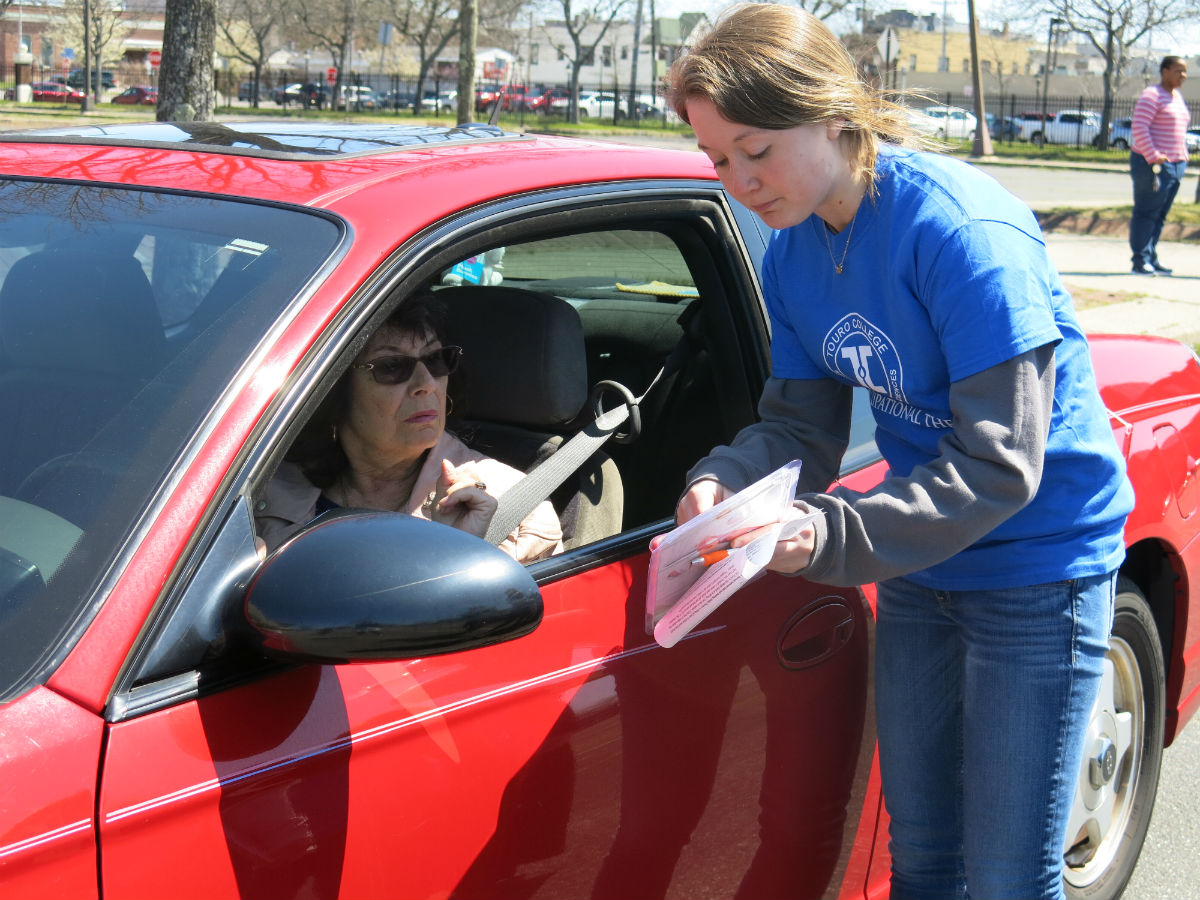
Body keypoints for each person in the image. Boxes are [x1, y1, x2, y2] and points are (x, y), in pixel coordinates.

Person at [662, 5, 1135, 898]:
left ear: (834, 115)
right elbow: (801, 428)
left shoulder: (960, 234)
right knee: (921, 857)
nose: (741, 182)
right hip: (923, 562)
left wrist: (827, 537)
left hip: (1040, 565)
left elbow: (1002, 462)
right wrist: (723, 477)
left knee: (1005, 875)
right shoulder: (795, 250)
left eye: (756, 151)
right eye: (718, 160)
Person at [255, 293, 562, 564]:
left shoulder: (515, 511)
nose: (426, 384)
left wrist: (456, 552)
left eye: (437, 360)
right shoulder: (254, 488)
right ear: (333, 391)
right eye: (392, 367)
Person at [1129, 55, 1189, 276]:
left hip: (1175, 165)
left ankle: (1150, 257)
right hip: (1152, 165)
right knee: (1146, 212)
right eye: (1178, 70)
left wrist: (1182, 157)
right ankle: (1139, 261)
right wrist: (1153, 155)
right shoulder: (1151, 95)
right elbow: (1139, 127)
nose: (1183, 75)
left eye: (1185, 71)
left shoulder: (1176, 97)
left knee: (1160, 214)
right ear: (1165, 71)